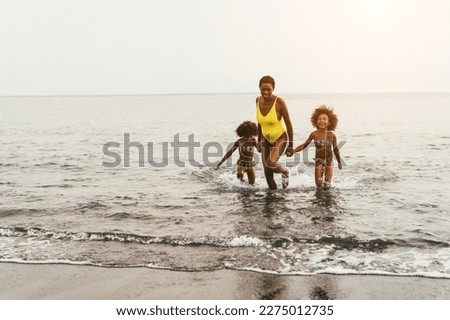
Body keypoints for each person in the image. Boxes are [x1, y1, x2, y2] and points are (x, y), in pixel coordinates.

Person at [287, 105, 342, 188]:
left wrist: (339, 162)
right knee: (318, 184)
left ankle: (327, 199)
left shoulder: (332, 135)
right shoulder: (314, 134)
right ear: (316, 121)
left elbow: (336, 150)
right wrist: (294, 151)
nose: (321, 121)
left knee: (327, 184)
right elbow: (304, 145)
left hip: (329, 161)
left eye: (324, 119)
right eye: (319, 119)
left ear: (329, 122)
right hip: (318, 161)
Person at [256, 75, 293, 190]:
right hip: (265, 139)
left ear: (273, 89)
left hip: (280, 138)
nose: (265, 92)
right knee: (267, 173)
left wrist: (290, 145)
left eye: (269, 89)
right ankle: (273, 200)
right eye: (263, 89)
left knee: (270, 164)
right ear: (259, 88)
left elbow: (288, 124)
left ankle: (285, 172)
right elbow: (260, 123)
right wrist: (258, 141)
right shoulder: (257, 100)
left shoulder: (279, 102)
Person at [215, 121, 258, 185]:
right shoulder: (239, 142)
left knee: (252, 184)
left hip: (250, 164)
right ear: (242, 134)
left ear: (253, 134)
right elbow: (229, 153)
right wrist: (219, 164)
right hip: (241, 164)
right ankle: (241, 182)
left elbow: (260, 150)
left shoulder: (253, 141)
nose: (249, 137)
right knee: (240, 174)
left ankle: (245, 185)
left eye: (250, 135)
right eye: (246, 136)